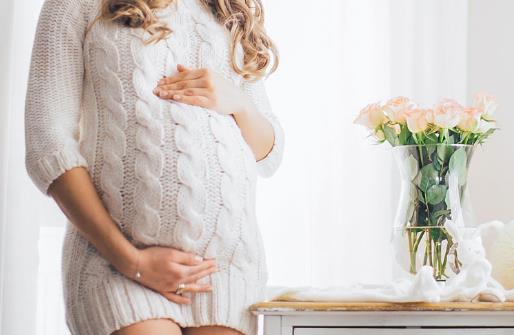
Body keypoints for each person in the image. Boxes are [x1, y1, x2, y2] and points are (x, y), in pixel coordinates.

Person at [23, 0, 284, 334]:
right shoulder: (75, 4)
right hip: (116, 263)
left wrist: (238, 102)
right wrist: (131, 261)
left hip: (226, 268)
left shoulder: (228, 9)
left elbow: (269, 153)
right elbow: (48, 144)